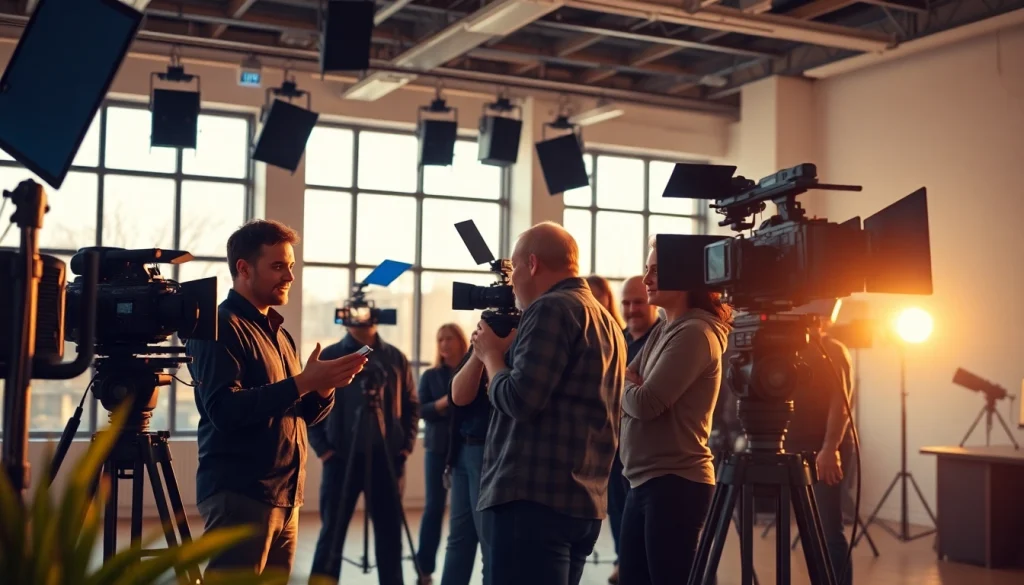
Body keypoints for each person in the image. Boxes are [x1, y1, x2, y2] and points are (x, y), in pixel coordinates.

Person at [186, 219, 367, 577]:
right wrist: (302, 382)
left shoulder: (279, 334)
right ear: (243, 269)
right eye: (278, 266)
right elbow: (224, 410)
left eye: (292, 266)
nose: (290, 276)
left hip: (285, 496)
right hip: (242, 495)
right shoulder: (218, 326)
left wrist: (323, 388)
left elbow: (296, 413)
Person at [468, 221, 626, 585]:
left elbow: (520, 400)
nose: (513, 281)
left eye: (516, 268)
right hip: (583, 500)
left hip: (531, 501)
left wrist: (491, 356)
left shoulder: (551, 308)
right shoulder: (605, 319)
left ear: (533, 264)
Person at [618, 236, 732, 585]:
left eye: (654, 271)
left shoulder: (696, 333)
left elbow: (645, 402)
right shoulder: (664, 329)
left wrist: (628, 383)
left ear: (682, 276)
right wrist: (630, 383)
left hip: (675, 484)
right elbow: (627, 380)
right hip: (644, 479)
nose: (647, 278)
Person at [308, 318, 419, 585]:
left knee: (390, 534)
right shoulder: (331, 355)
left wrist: (405, 448)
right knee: (331, 534)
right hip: (339, 459)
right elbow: (309, 404)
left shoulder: (395, 357)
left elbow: (412, 405)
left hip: (388, 461)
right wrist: (323, 450)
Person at [787, 304, 854, 585]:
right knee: (808, 529)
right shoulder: (788, 351)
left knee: (828, 531)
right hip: (794, 449)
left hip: (825, 449)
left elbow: (841, 404)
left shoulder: (833, 350)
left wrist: (829, 449)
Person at [606, 275, 660, 584]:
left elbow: (649, 398)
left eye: (638, 301)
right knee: (619, 514)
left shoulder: (662, 339)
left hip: (649, 454)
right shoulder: (617, 341)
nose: (631, 309)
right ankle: (622, 561)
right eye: (626, 302)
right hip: (615, 448)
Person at [415, 324, 469, 585]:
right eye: (440, 340)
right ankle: (424, 569)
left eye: (449, 339)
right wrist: (447, 401)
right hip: (437, 449)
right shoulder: (430, 376)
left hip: (465, 448)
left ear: (461, 341)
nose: (444, 344)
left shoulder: (473, 370)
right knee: (433, 508)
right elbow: (421, 410)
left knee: (464, 515)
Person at [441, 334, 495, 585]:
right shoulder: (481, 347)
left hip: (488, 451)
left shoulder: (519, 343)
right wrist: (480, 350)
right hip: (464, 449)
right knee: (458, 539)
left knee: (489, 541)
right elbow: (457, 396)